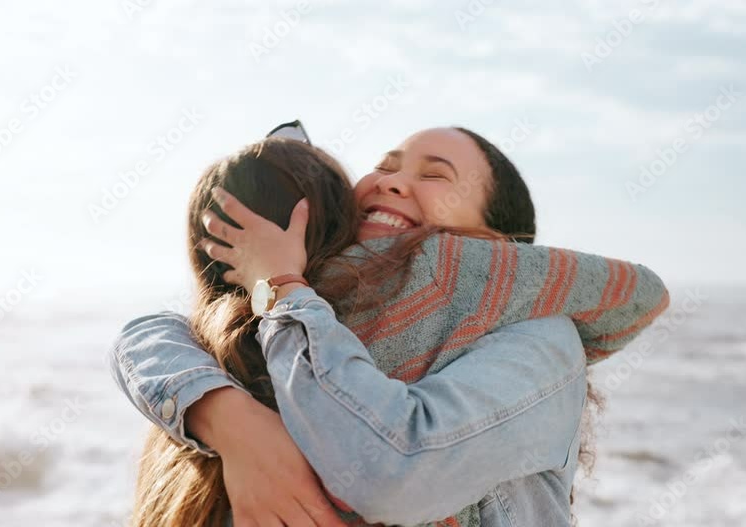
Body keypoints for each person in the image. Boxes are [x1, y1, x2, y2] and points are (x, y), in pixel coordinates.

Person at [110, 126, 668, 526]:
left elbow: (395, 473)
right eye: (385, 164)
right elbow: (155, 332)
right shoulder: (309, 312)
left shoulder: (538, 340)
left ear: (501, 243)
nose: (391, 182)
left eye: (434, 174)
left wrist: (280, 284)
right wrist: (233, 422)